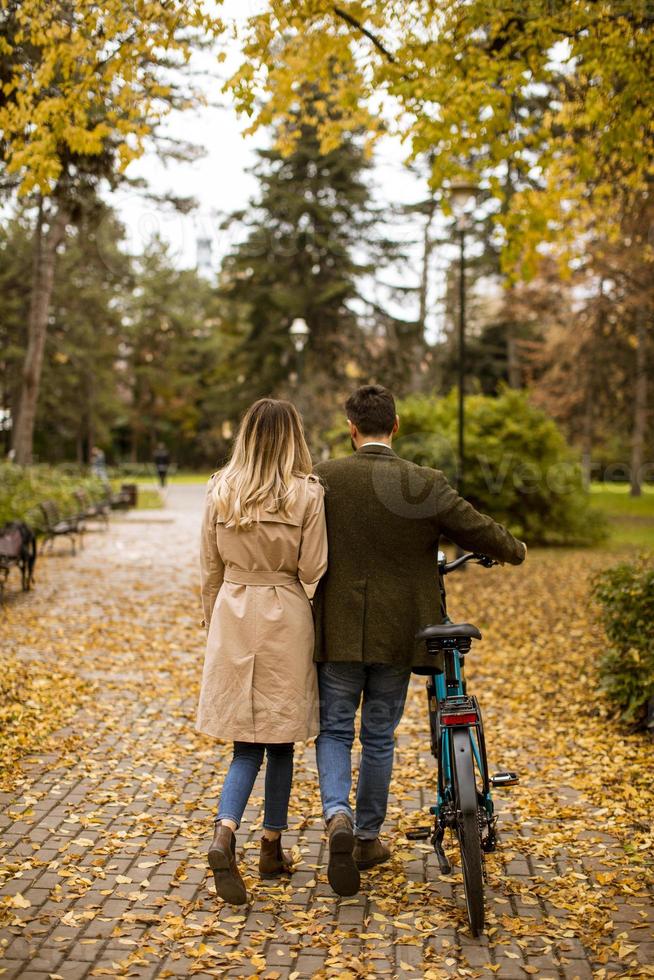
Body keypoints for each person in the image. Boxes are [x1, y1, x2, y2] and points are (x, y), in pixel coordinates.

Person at [312, 384, 527, 897]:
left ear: (351, 427)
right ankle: (366, 838)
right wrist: (514, 548)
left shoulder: (322, 479)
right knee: (380, 735)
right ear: (396, 424)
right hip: (400, 631)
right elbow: (476, 528)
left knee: (337, 730)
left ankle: (337, 816)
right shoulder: (422, 483)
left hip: (337, 629)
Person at [197, 398, 328, 905]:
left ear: (246, 436)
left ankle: (225, 832)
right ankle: (271, 845)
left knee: (244, 742)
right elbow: (314, 567)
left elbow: (208, 568)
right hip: (286, 614)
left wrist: (213, 622)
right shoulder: (307, 495)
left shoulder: (219, 490)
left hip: (233, 610)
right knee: (282, 737)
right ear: (293, 437)